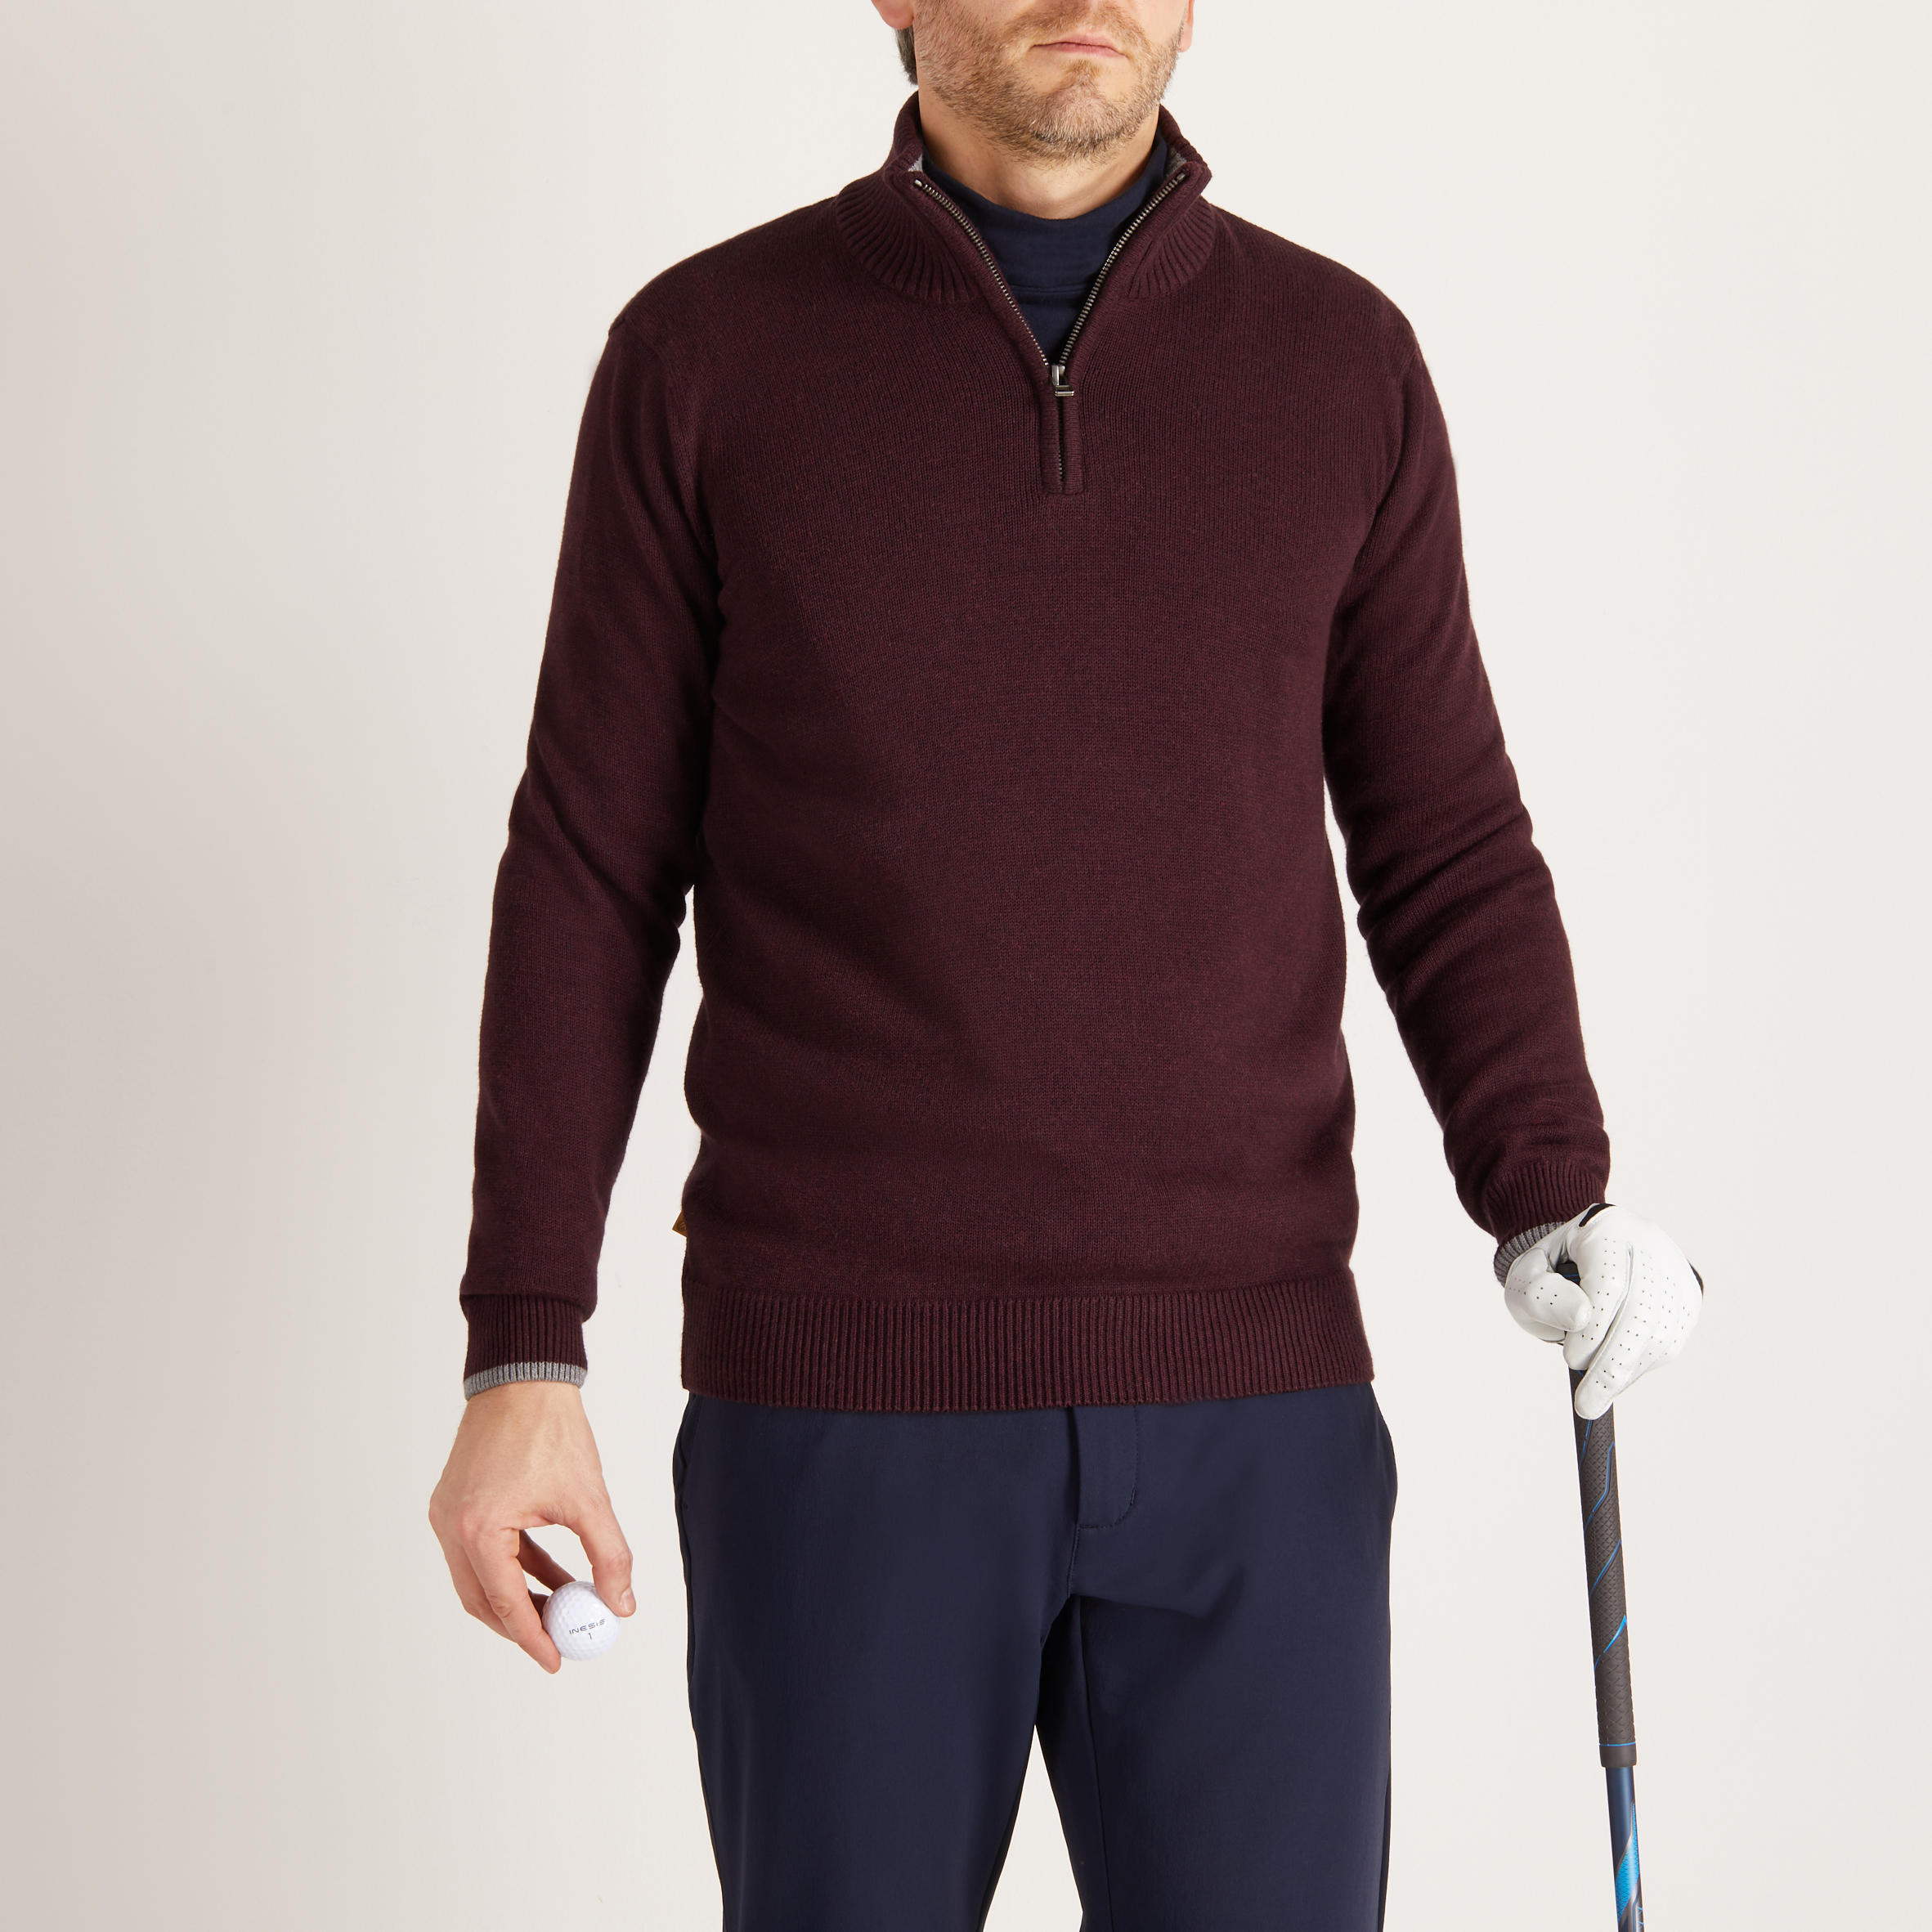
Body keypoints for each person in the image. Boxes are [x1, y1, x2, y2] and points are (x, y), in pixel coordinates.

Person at [428, 4, 1705, 1925]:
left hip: (1252, 1418)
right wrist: (523, 1346)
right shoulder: (704, 356)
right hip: (840, 1413)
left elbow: (1441, 836)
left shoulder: (1338, 364)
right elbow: (592, 868)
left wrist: (1552, 1189)